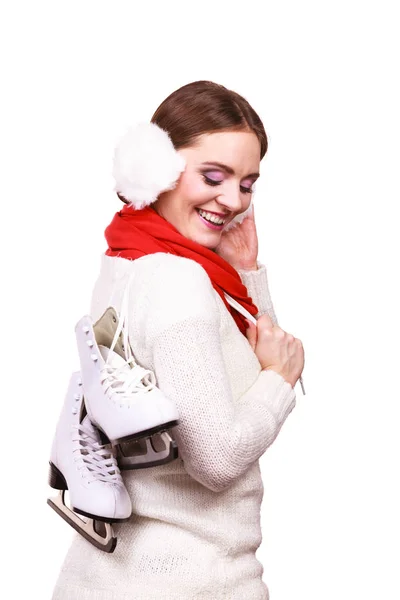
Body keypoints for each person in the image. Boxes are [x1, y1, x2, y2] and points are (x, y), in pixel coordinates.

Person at [51, 80, 304, 600]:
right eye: (213, 176)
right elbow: (215, 460)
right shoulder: (177, 280)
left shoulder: (128, 262)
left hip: (120, 577)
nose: (232, 200)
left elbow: (241, 369)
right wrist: (280, 381)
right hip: (188, 580)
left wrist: (247, 272)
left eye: (248, 184)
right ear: (155, 169)